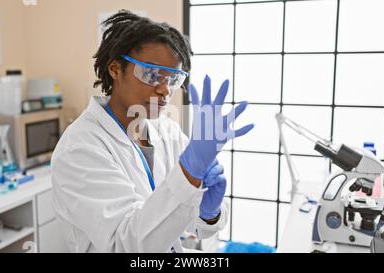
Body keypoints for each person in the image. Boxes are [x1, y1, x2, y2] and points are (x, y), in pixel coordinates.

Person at [51, 10, 254, 253]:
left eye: (173, 79)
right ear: (115, 69)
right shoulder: (81, 147)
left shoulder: (165, 129)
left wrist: (209, 212)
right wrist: (188, 173)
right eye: (152, 74)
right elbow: (126, 244)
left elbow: (183, 220)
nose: (165, 90)